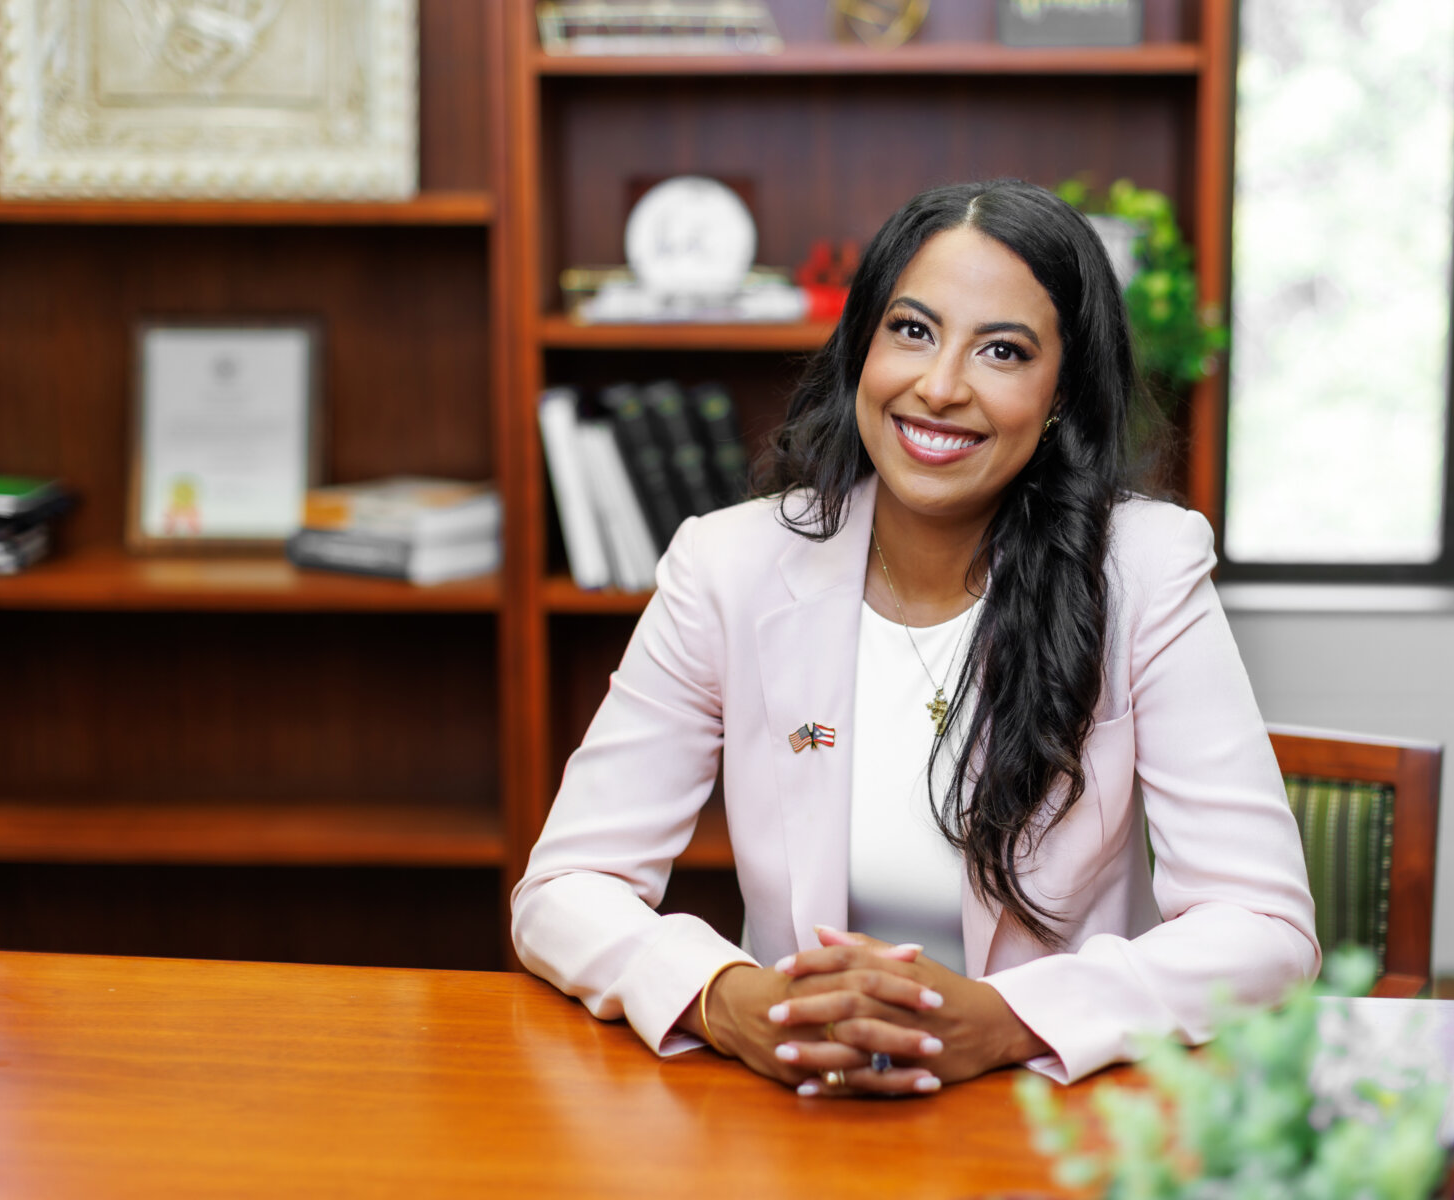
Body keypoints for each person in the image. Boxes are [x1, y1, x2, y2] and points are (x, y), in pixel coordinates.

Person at [513, 179, 1318, 1098]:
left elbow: (1263, 926)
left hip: (1045, 1110)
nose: (939, 388)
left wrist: (1008, 1021)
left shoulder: (1144, 571)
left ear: (1060, 392)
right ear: (862, 346)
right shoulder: (727, 565)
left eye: (1004, 351)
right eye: (912, 331)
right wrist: (733, 1003)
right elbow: (563, 887)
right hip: (799, 1104)